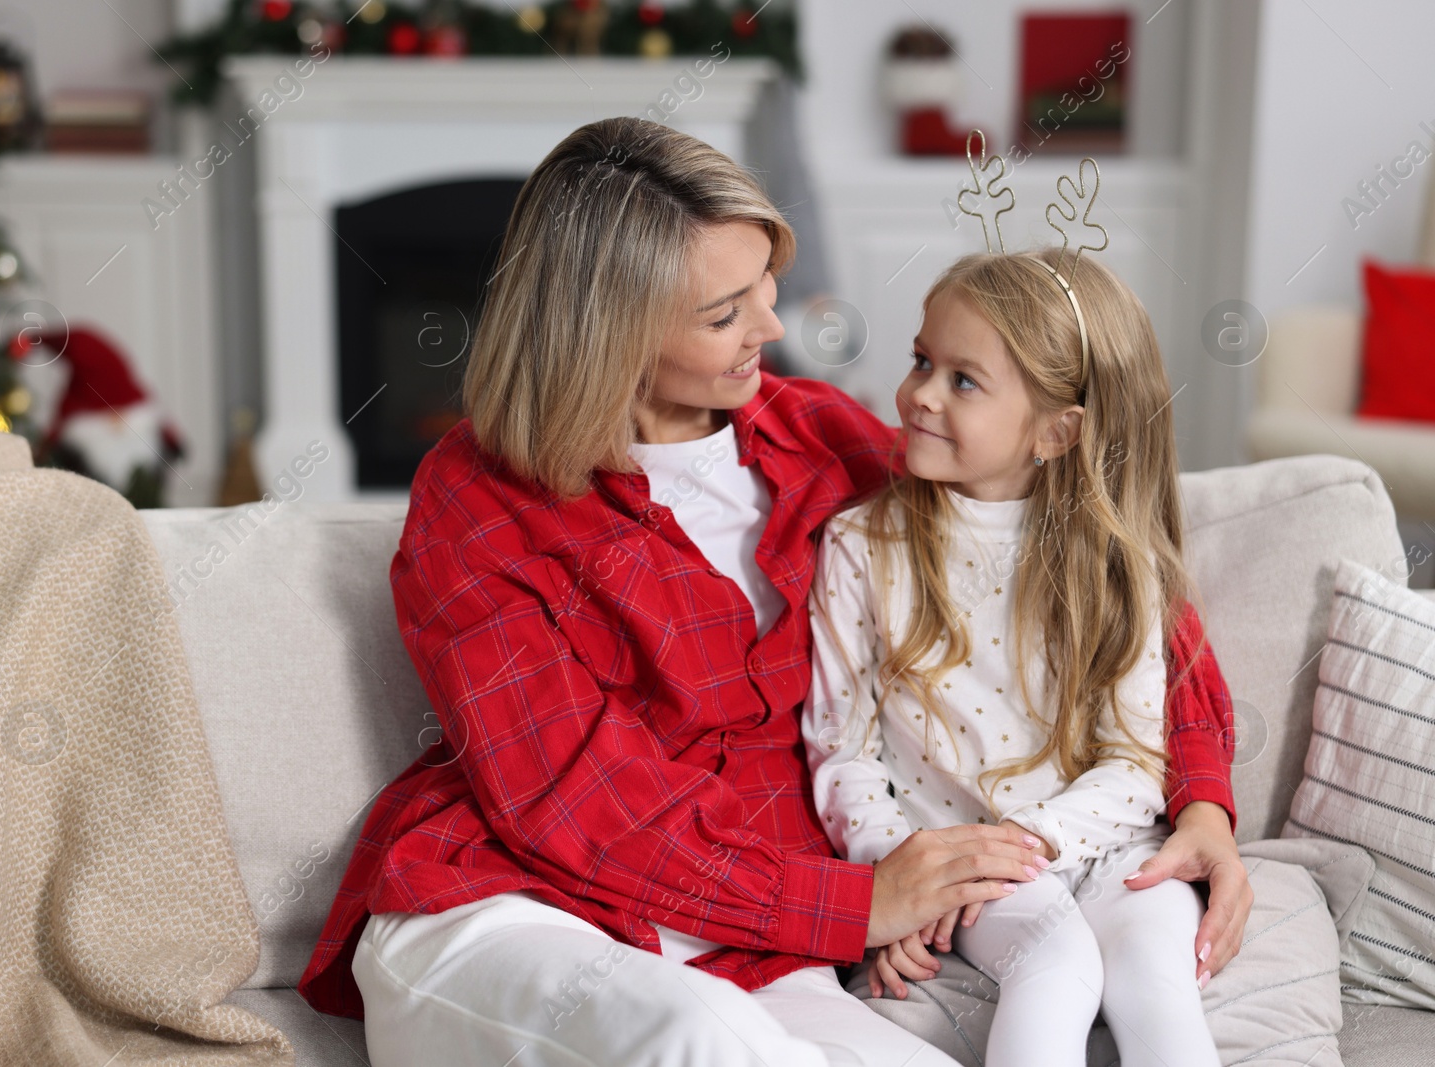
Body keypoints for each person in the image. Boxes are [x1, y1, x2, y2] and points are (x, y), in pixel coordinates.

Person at [296, 117, 1252, 1067]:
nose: (774, 329)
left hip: (751, 946)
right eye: (726, 313)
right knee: (697, 1040)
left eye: (767, 288)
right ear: (609, 331)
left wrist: (1203, 799)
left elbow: (1106, 563)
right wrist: (859, 903)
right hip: (517, 906)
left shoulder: (819, 438)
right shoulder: (475, 500)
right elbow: (571, 797)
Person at [805, 249, 1221, 1066]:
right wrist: (900, 876)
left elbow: (1137, 764)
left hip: (1102, 844)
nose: (920, 392)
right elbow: (838, 749)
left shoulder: (1118, 563)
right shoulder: (863, 545)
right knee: (1056, 967)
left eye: (963, 379)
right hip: (960, 859)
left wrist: (1030, 837)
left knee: (1154, 976)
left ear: (1055, 431)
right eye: (923, 359)